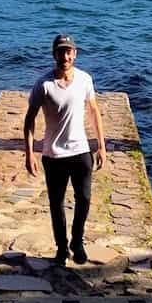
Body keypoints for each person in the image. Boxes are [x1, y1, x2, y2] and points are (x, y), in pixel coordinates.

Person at [23, 33, 107, 267]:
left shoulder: (85, 80)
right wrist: (29, 153)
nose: (65, 56)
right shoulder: (44, 84)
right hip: (54, 155)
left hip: (81, 152)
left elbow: (93, 111)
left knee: (85, 199)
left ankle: (77, 242)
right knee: (56, 203)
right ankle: (61, 247)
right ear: (54, 55)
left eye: (69, 52)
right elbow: (29, 120)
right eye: (61, 52)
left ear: (75, 54)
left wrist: (101, 145)